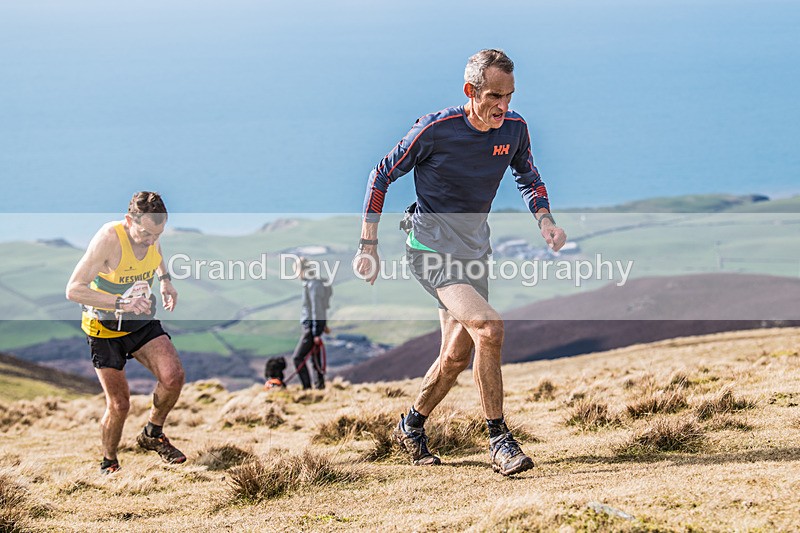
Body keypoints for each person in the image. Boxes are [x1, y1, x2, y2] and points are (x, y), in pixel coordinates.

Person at [356, 49, 567, 476]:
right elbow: (381, 174)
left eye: (508, 96)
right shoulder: (434, 130)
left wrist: (545, 221)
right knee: (489, 327)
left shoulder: (515, 129)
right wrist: (368, 245)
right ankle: (499, 440)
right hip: (429, 249)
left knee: (455, 355)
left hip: (474, 251)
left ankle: (410, 425)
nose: (502, 107)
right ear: (470, 91)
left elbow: (529, 177)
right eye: (494, 96)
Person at [66, 191, 186, 474]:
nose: (151, 239)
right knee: (120, 405)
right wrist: (122, 303)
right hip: (104, 329)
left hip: (140, 321)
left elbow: (155, 254)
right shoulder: (109, 239)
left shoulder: (151, 231)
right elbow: (73, 289)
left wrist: (166, 281)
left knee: (173, 377)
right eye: (145, 233)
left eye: (158, 234)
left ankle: (152, 433)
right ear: (129, 220)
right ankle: (109, 461)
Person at [291, 258, 332, 390]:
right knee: (315, 359)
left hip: (310, 328)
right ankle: (320, 387)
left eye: (296, 270)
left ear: (302, 270)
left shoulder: (313, 285)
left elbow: (316, 309)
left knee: (297, 358)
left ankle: (307, 388)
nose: (296, 274)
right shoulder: (312, 283)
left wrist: (316, 333)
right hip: (313, 327)